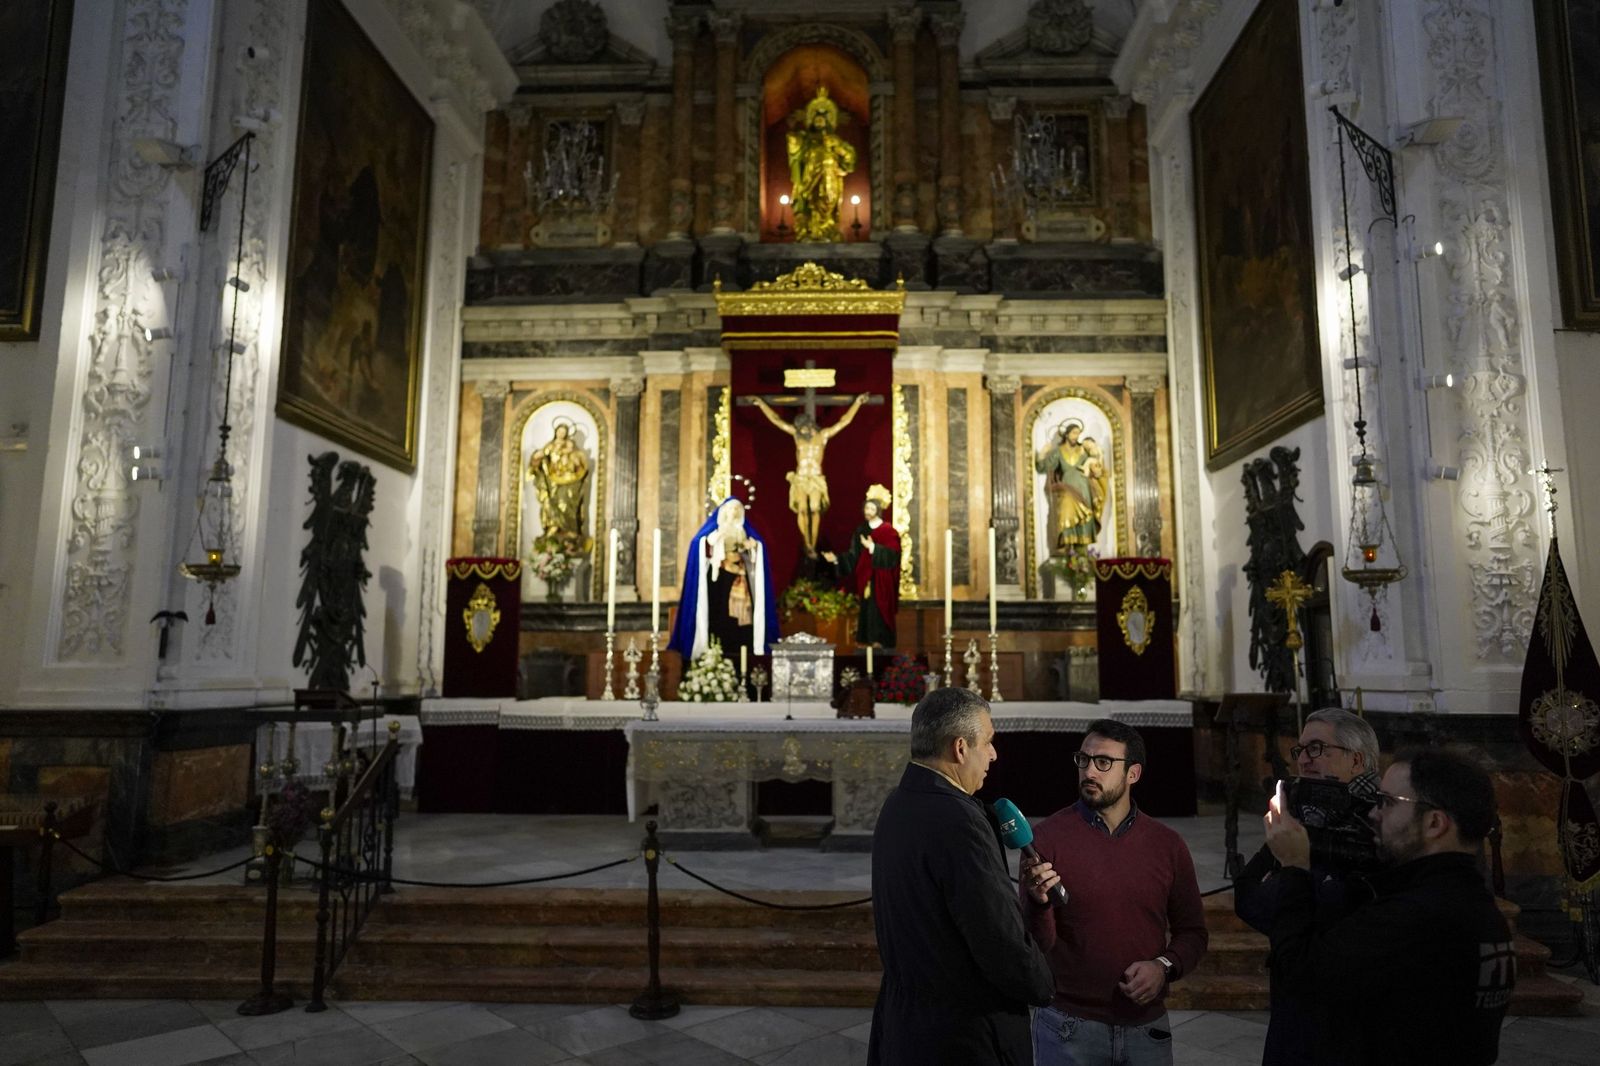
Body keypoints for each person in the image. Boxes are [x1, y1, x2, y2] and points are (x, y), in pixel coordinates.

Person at [1263, 747, 1516, 1065]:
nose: (1373, 813)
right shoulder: (1478, 909)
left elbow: (1301, 975)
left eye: (1387, 802)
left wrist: (1294, 866)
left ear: (1434, 823)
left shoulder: (1416, 917)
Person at [869, 688, 1054, 1065]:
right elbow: (997, 939)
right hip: (963, 1035)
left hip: (905, 1024)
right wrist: (1042, 984)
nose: (993, 754)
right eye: (987, 742)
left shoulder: (897, 803)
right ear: (960, 748)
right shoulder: (960, 822)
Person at [1019, 719, 1208, 1066]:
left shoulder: (1167, 845)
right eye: (1083, 759)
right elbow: (1037, 946)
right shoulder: (1045, 840)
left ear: (1133, 773)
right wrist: (1038, 902)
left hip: (1145, 1027)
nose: (1089, 771)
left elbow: (1193, 933)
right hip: (1068, 1026)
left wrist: (1163, 966)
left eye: (1103, 762)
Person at [1233, 708, 1380, 1065]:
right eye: (1300, 750)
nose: (1303, 760)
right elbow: (1248, 897)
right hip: (1292, 1012)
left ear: (1356, 759)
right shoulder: (1300, 813)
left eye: (1317, 748)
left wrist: (1292, 884)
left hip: (1349, 1016)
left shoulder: (1381, 825)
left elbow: (1339, 917)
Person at [751, 392, 869, 556]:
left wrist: (857, 403)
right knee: (802, 510)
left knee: (814, 509)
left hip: (815, 478)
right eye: (800, 429)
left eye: (803, 427)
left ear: (809, 425)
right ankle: (806, 543)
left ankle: (812, 543)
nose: (802, 430)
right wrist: (762, 404)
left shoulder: (823, 435)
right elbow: (777, 420)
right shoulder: (797, 436)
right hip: (800, 478)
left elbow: (844, 422)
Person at [667, 497, 779, 663]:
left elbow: (755, 546)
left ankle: (743, 654)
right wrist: (715, 539)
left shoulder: (742, 530)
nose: (734, 513)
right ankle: (715, 654)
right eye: (731, 509)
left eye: (737, 509)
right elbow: (701, 542)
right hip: (720, 578)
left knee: (742, 620)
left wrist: (753, 547)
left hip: (740, 575)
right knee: (720, 615)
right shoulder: (718, 529)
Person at [822, 484, 900, 648]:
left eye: (871, 508)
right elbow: (853, 555)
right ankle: (867, 640)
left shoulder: (888, 531)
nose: (868, 511)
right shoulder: (861, 530)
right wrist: (836, 559)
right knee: (867, 609)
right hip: (865, 579)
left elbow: (893, 556)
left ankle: (880, 640)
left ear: (878, 510)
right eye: (866, 508)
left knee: (878, 609)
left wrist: (873, 548)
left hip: (882, 581)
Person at [786, 85, 857, 242]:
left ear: (828, 121)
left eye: (822, 119)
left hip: (830, 174)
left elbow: (849, 157)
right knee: (811, 200)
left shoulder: (835, 139)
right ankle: (811, 228)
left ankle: (827, 227)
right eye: (816, 119)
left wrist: (838, 148)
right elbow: (795, 148)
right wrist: (792, 131)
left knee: (828, 198)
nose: (819, 122)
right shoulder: (806, 139)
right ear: (811, 121)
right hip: (810, 174)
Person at [1036, 420, 1108, 555]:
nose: (1076, 436)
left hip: (1084, 490)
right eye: (1074, 433)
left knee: (1084, 522)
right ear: (1067, 434)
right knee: (1065, 517)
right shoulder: (1058, 452)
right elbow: (1043, 467)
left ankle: (1082, 556)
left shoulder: (1083, 450)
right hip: (1066, 490)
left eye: (1078, 433)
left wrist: (1098, 470)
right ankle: (1066, 555)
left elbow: (1096, 464)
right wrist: (1042, 454)